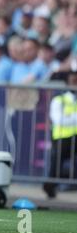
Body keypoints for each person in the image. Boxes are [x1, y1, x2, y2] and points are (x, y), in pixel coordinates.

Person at [43, 70, 77, 198]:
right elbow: (58, 119)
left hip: (76, 138)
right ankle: (50, 186)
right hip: (62, 138)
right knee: (56, 166)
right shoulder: (59, 100)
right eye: (73, 81)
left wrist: (70, 117)